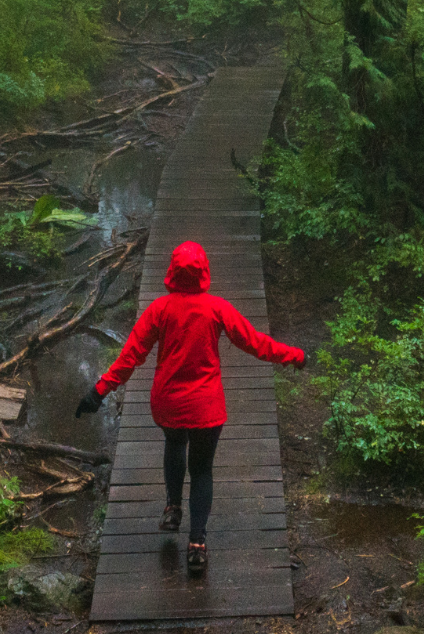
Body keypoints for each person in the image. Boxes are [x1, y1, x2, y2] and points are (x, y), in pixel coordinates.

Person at [78, 239, 304, 576]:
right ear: (204, 272)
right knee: (201, 469)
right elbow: (255, 343)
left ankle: (172, 508)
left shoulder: (159, 310)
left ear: (171, 270)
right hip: (206, 407)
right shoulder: (217, 309)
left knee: (173, 443)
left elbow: (130, 357)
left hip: (168, 402)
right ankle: (197, 542)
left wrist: (99, 391)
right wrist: (294, 356)